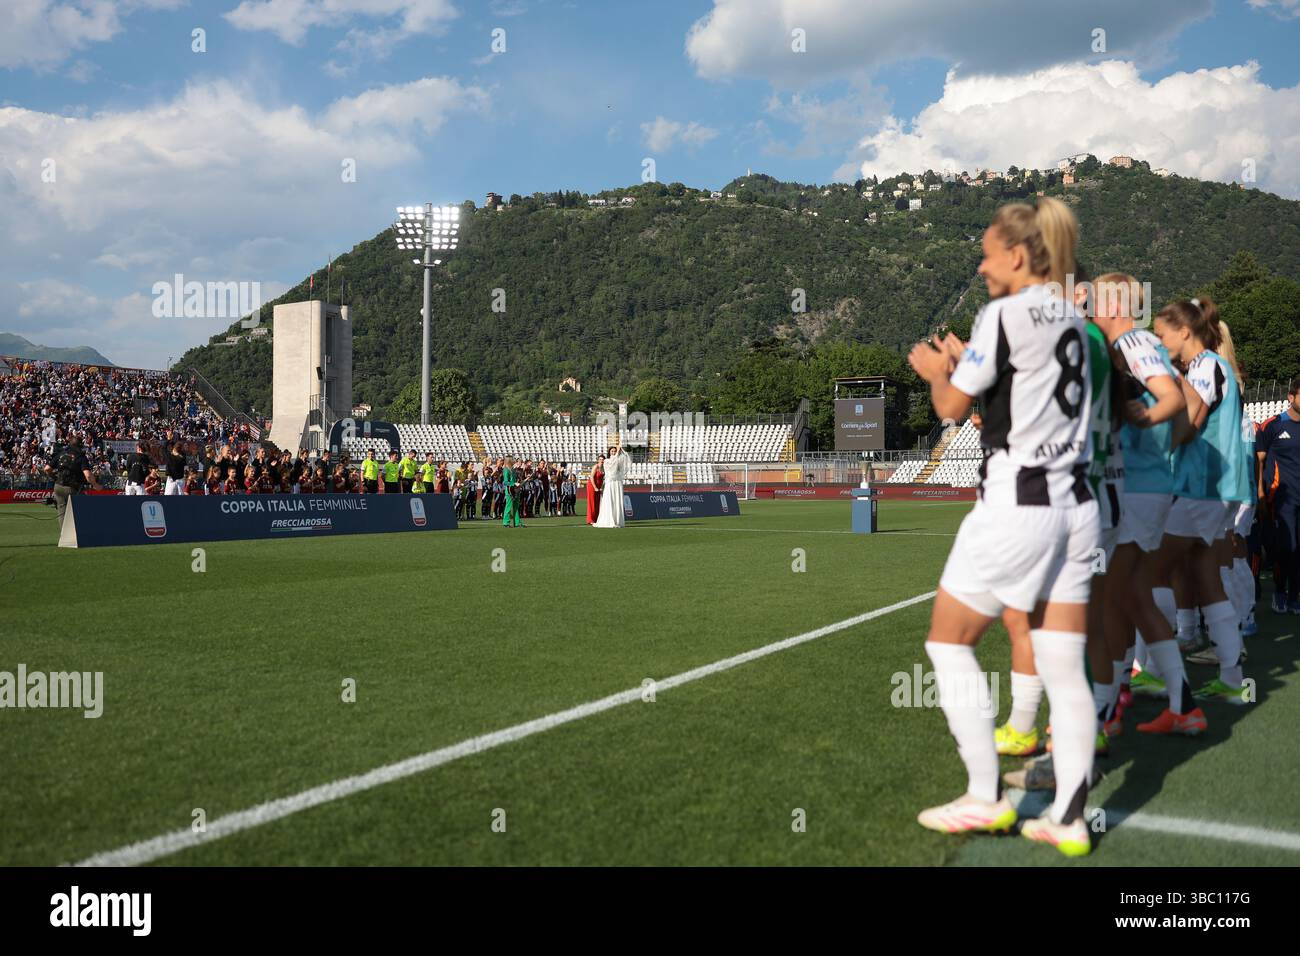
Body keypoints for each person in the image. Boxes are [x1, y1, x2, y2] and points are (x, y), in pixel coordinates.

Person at [905, 197, 1099, 857]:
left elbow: (955, 406)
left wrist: (938, 372)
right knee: (1066, 669)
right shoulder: (1073, 317)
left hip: (1018, 504)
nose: (983, 267)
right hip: (1077, 507)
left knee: (948, 642)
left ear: (1018, 255)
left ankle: (985, 797)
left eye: (988, 255)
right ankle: (1070, 818)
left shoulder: (1005, 312)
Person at [1258, 378, 1300, 614]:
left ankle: (1295, 597)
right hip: (1283, 499)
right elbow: (1260, 462)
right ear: (1291, 398)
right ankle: (1280, 592)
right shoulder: (1272, 425)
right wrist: (1261, 495)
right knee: (1287, 548)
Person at [43, 435, 95, 535]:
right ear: (79, 445)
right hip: (73, 487)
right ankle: (82, 532)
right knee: (83, 508)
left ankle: (65, 536)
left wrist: (54, 477)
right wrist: (95, 484)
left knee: (62, 512)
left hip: (58, 486)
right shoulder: (80, 456)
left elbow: (47, 469)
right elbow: (87, 475)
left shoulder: (61, 453)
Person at [595, 439, 630, 528]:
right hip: (610, 483)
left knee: (617, 500)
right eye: (612, 451)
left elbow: (625, 461)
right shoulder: (607, 461)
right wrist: (618, 450)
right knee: (610, 500)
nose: (613, 452)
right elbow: (613, 466)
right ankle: (609, 520)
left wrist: (621, 449)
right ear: (609, 452)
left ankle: (617, 520)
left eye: (614, 451)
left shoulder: (618, 460)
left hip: (617, 482)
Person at [502, 455, 522, 527]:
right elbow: (505, 482)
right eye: (512, 459)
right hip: (509, 491)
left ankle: (517, 522)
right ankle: (506, 522)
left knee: (516, 507)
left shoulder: (513, 469)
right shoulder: (506, 470)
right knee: (508, 507)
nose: (514, 460)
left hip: (515, 490)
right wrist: (514, 483)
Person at [586, 455, 605, 526]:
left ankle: (596, 518)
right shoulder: (595, 467)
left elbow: (602, 479)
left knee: (597, 503)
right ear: (598, 460)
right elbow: (591, 477)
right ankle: (590, 519)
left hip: (599, 486)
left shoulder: (603, 468)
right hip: (592, 486)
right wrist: (595, 487)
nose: (602, 461)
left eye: (603, 459)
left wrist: (601, 487)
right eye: (600, 459)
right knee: (592, 502)